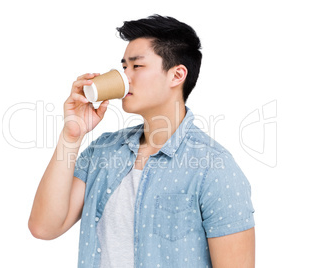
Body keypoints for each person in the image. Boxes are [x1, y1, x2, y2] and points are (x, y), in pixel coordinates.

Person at [28, 14, 255, 268]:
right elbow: (44, 227)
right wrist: (72, 136)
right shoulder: (103, 151)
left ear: (177, 75)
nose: (125, 77)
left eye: (136, 66)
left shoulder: (214, 167)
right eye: (124, 67)